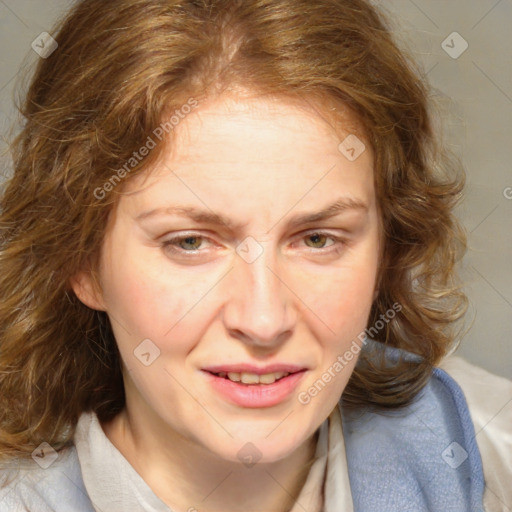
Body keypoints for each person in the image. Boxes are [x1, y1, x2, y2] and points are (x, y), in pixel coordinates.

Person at [0, 0, 510, 511]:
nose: (264, 322)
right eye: (190, 242)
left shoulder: (487, 449)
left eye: (317, 239)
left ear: (387, 248)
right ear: (81, 261)